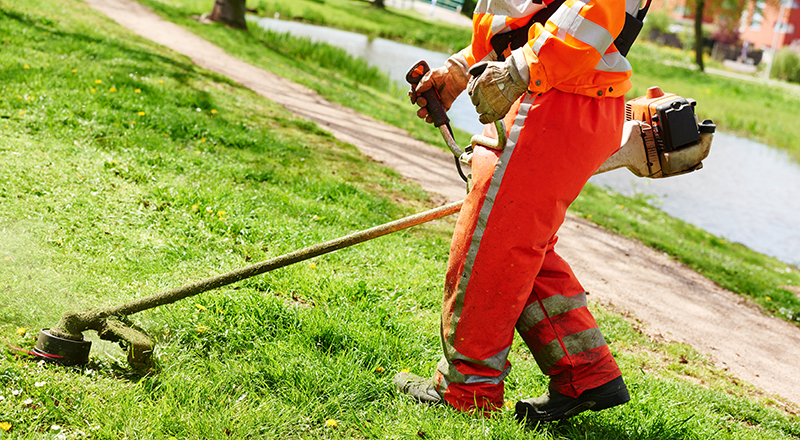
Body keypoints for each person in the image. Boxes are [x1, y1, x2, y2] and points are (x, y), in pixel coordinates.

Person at [394, 0, 636, 424]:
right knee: (519, 241)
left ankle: (467, 389)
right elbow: (523, 18)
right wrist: (461, 70)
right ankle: (586, 371)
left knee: (489, 244)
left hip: (555, 96)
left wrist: (518, 70)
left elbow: (592, 13)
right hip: (556, 92)